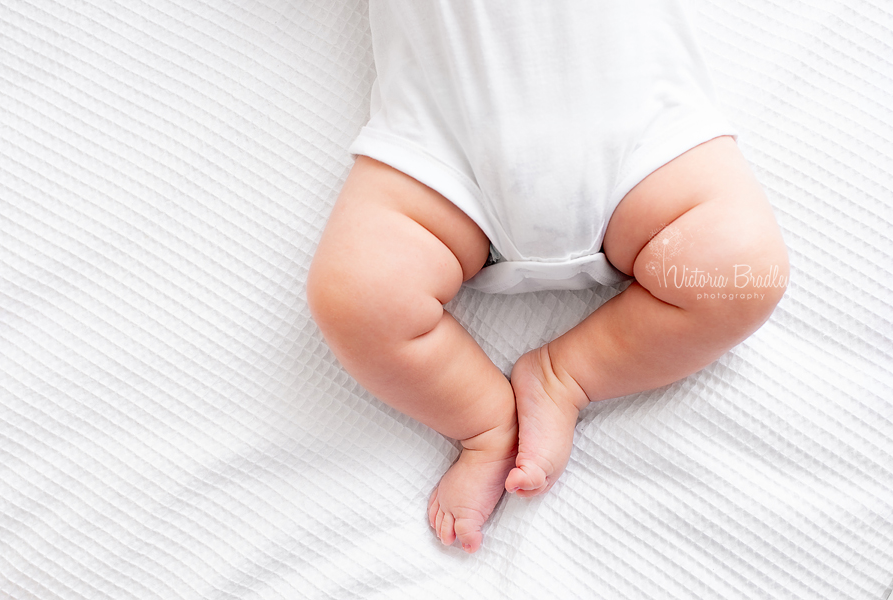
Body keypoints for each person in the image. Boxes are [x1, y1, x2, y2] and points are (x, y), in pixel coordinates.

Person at [307, 0, 789, 554]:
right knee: (358, 301)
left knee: (742, 273)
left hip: (644, 142)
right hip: (443, 155)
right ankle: (486, 424)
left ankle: (566, 377)